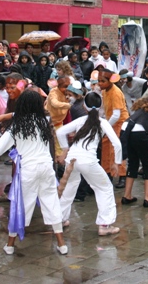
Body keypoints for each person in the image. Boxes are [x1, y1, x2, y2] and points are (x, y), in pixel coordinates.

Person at [0, 90, 68, 255]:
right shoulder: (44, 121)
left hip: (29, 169)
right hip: (46, 168)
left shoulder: (17, 125)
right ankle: (62, 245)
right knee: (52, 203)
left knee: (21, 208)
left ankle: (10, 245)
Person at [56, 92, 122, 235]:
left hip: (72, 159)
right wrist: (117, 163)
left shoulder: (81, 121)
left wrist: (65, 149)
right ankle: (105, 225)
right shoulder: (103, 122)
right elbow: (117, 143)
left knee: (69, 188)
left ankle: (60, 220)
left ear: (84, 107)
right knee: (104, 188)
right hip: (88, 161)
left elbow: (60, 132)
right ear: (100, 107)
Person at [99, 69, 129, 187]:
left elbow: (116, 115)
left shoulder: (115, 92)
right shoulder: (105, 91)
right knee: (106, 147)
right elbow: (104, 109)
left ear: (110, 81)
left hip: (119, 123)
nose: (100, 83)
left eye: (102, 81)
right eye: (99, 81)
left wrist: (105, 127)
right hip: (110, 122)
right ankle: (107, 173)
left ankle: (122, 175)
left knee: (117, 148)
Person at [46, 76, 72, 156]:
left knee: (60, 144)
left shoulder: (68, 92)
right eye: (65, 87)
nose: (67, 89)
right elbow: (55, 103)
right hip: (49, 121)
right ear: (59, 86)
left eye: (68, 86)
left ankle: (59, 162)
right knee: (50, 143)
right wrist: (68, 105)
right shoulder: (54, 92)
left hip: (59, 121)